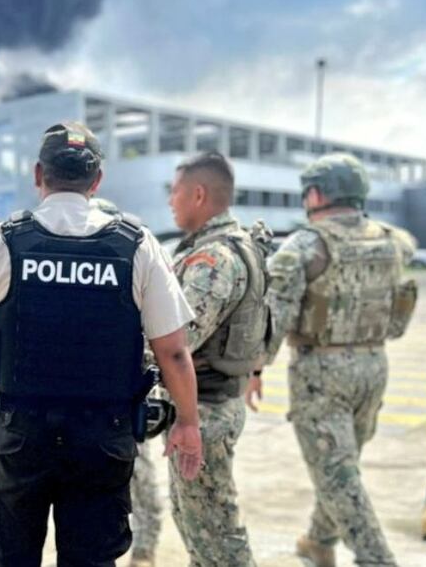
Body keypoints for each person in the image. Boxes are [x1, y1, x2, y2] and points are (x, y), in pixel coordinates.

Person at [0, 121, 204, 567]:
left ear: (38, 175)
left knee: (11, 557)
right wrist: (189, 421)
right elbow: (174, 352)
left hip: (21, 436)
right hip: (102, 436)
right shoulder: (137, 246)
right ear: (96, 180)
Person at [246, 153, 417, 567]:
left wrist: (254, 368)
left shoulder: (305, 246)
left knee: (338, 474)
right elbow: (406, 259)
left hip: (320, 374)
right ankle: (319, 540)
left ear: (317, 194)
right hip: (374, 366)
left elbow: (276, 315)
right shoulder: (393, 239)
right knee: (341, 465)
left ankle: (377, 559)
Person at [166, 152, 270, 567]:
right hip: (210, 405)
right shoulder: (238, 246)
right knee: (199, 528)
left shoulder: (214, 260)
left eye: (174, 191)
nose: (170, 201)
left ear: (198, 194)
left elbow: (176, 343)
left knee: (217, 537)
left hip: (204, 411)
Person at [91, 197, 161, 567]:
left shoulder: (134, 270)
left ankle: (145, 552)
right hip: (86, 414)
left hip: (123, 408)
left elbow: (157, 340)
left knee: (143, 484)